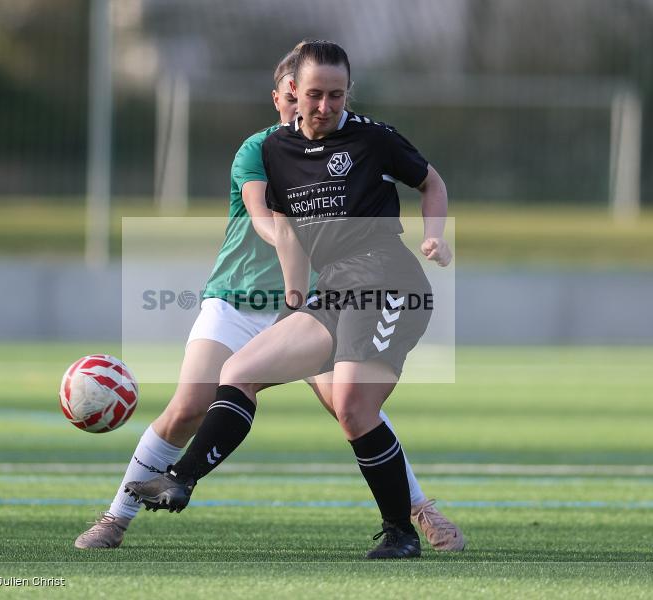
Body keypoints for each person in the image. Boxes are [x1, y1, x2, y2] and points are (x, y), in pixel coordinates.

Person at [76, 43, 464, 554]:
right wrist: (296, 286)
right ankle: (153, 495)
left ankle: (412, 518)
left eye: (335, 95)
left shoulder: (368, 137)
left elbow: (427, 181)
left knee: (351, 406)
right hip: (251, 300)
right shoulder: (266, 150)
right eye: (306, 95)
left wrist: (433, 235)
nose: (318, 106)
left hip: (375, 283)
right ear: (284, 95)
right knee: (215, 388)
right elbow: (274, 222)